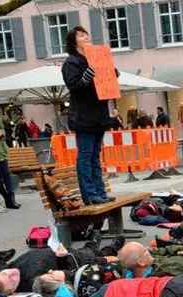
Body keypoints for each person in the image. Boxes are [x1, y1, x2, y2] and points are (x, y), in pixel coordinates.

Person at [62, 27, 116, 205]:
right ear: (73, 41)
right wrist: (86, 78)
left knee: (95, 157)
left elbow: (109, 80)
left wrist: (111, 71)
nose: (85, 36)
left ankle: (100, 192)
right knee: (85, 156)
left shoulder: (96, 57)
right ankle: (90, 194)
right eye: (81, 35)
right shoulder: (72, 62)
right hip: (83, 117)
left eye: (86, 33)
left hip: (98, 116)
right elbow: (74, 86)